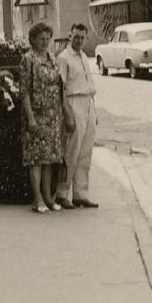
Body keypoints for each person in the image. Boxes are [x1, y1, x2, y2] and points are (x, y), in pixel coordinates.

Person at [19, 22, 75, 214]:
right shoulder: (28, 59)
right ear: (32, 40)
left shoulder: (52, 58)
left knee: (49, 158)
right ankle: (37, 198)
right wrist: (30, 118)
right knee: (36, 159)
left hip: (52, 116)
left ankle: (48, 197)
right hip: (36, 115)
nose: (44, 42)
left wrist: (66, 113)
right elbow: (24, 91)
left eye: (47, 39)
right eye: (41, 39)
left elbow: (60, 88)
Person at [54, 24, 99, 209]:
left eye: (82, 37)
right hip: (74, 103)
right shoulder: (63, 58)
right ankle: (62, 193)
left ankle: (81, 193)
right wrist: (68, 114)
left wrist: (93, 111)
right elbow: (60, 88)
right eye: (76, 37)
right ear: (69, 36)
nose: (79, 41)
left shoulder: (84, 57)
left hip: (88, 102)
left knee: (85, 151)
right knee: (71, 151)